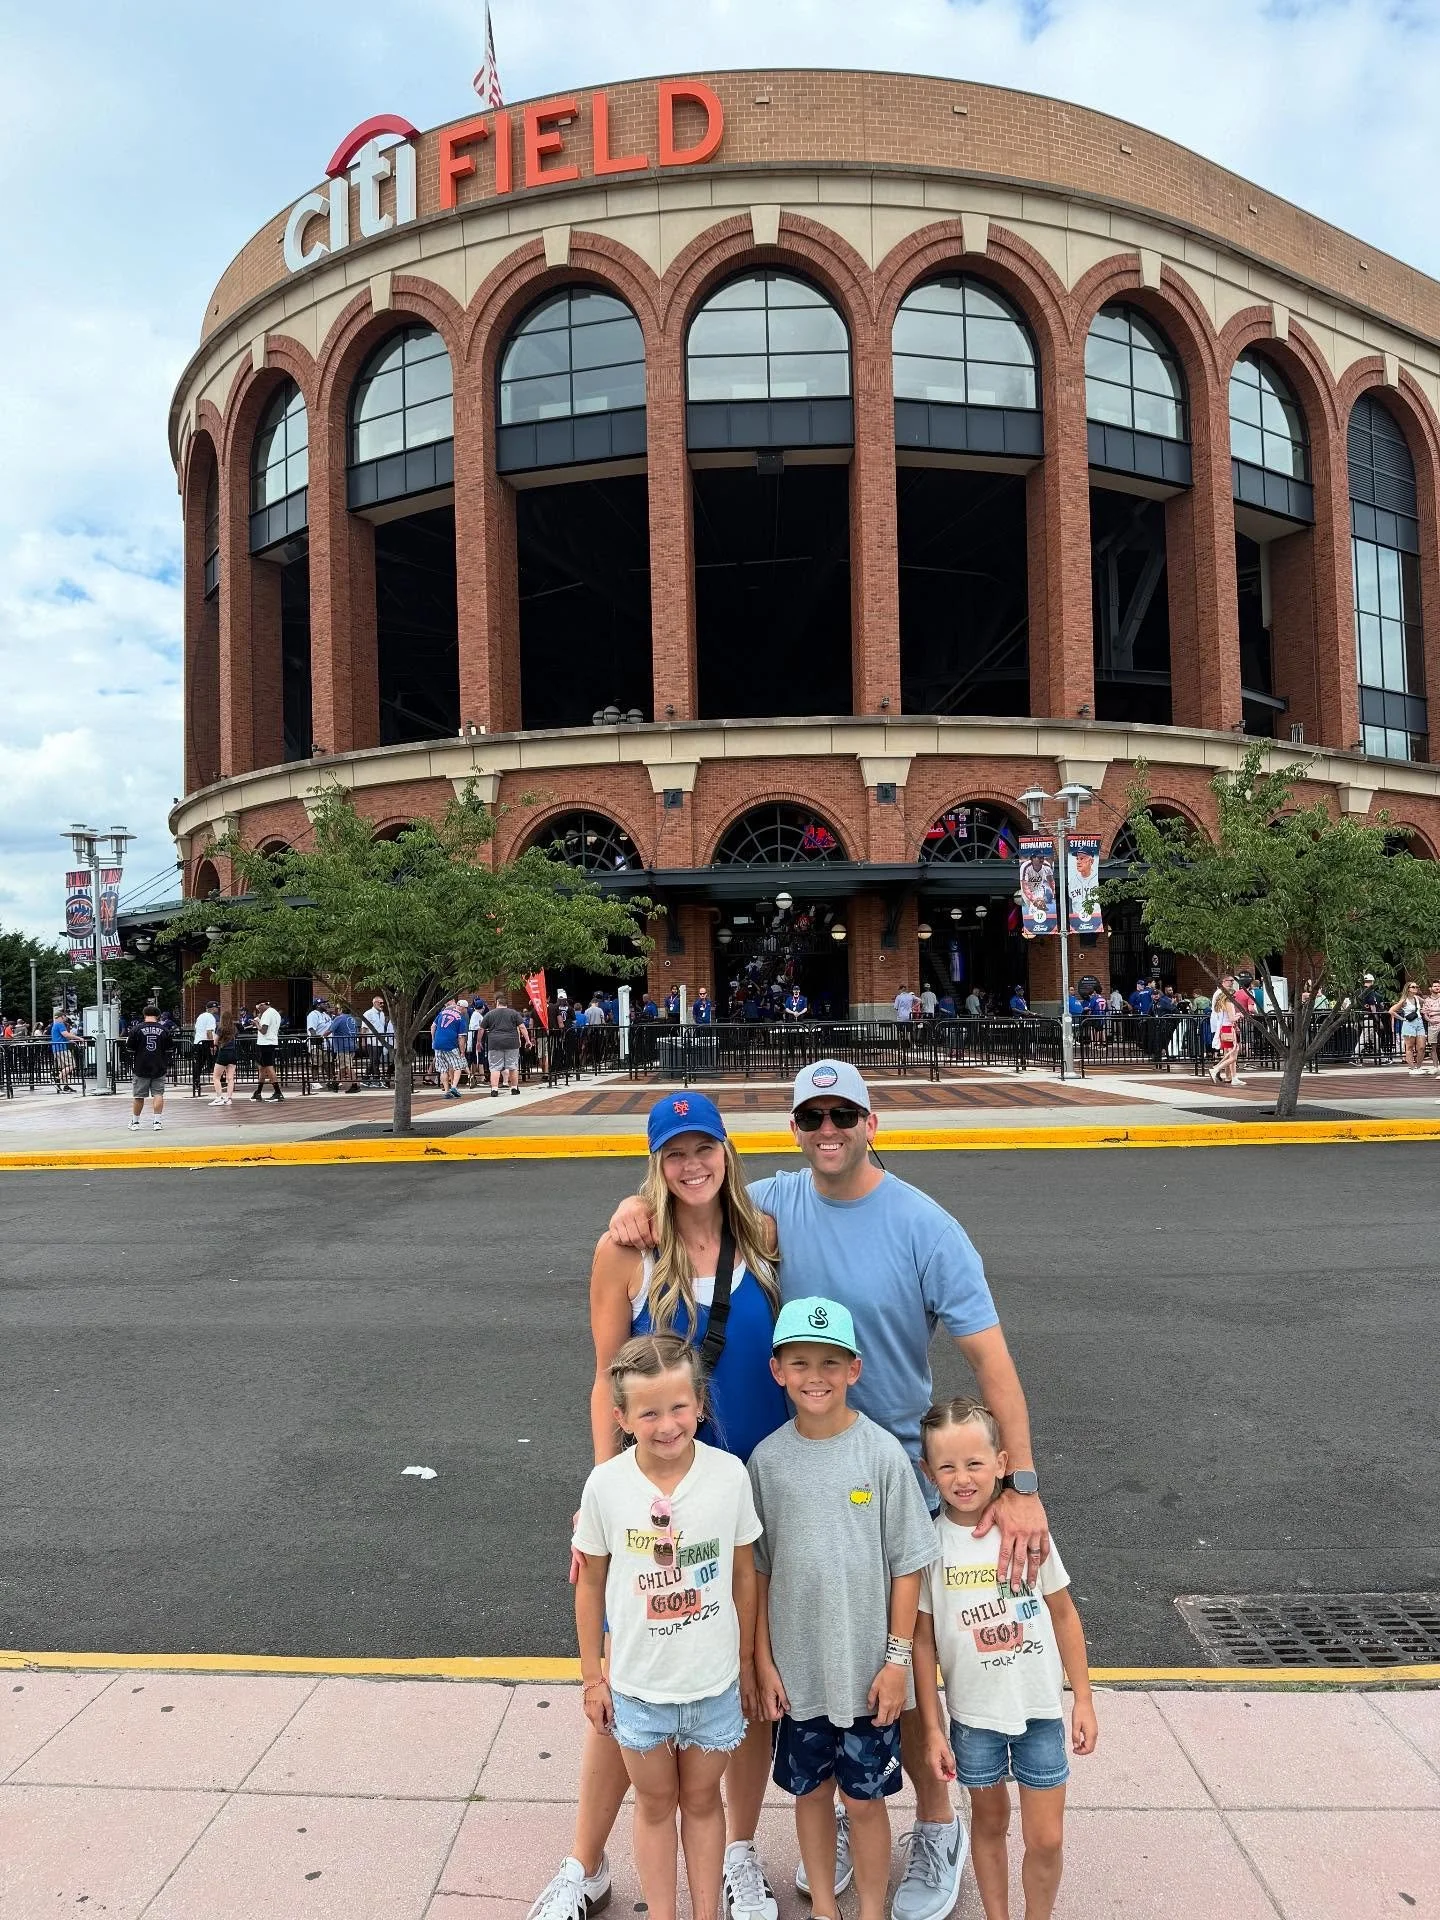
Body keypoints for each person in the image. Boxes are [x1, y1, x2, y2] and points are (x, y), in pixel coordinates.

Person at [594, 1062, 1047, 1920]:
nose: (828, 1127)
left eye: (844, 1113)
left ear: (872, 1121)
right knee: (798, 1653)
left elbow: (992, 1360)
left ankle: (938, 1827)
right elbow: (693, 1185)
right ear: (796, 1127)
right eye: (813, 1115)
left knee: (903, 1663)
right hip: (795, 1470)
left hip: (895, 1473)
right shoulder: (776, 1204)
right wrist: (631, 1206)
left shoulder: (925, 1225)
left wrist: (1018, 1484)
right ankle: (836, 1800)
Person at [564, 1093, 785, 1920]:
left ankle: (737, 1852)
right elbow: (603, 1379)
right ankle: (582, 1862)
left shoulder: (762, 1234)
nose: (692, 1165)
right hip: (651, 1498)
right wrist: (602, 1496)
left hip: (748, 1485)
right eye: (674, 1152)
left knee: (748, 1666)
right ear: (654, 1162)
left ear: (727, 1151)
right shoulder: (626, 1249)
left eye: (706, 1148)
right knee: (634, 1671)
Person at [750, 1298, 940, 1920]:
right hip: (799, 1675)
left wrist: (897, 1662)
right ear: (777, 1369)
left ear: (854, 1369)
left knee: (865, 1802)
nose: (816, 1376)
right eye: (800, 1362)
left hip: (869, 1678)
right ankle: (826, 1909)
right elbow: (759, 1570)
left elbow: (908, 1565)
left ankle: (871, 1911)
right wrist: (763, 1662)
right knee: (808, 1794)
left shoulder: (882, 1455)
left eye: (831, 1362)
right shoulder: (768, 1462)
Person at [574, 1334, 761, 1920]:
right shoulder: (606, 1486)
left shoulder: (729, 1475)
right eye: (648, 1412)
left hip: (713, 1683)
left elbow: (744, 1575)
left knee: (704, 1802)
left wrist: (751, 1663)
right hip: (638, 1687)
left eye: (679, 1407)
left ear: (700, 1404)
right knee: (655, 1804)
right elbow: (591, 1582)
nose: (666, 1424)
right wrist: (591, 1676)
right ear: (621, 1417)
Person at [913, 1400, 1096, 1920]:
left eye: (974, 1463)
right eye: (946, 1466)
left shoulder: (1027, 1533)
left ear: (1002, 1462)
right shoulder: (928, 1545)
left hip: (1040, 1712)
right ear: (928, 1472)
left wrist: (1083, 1699)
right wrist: (932, 1729)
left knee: (1046, 1839)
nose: (961, 1478)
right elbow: (921, 1642)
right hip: (973, 1722)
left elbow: (1063, 1614)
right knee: (989, 1827)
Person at [127, 1004, 173, 1130]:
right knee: (158, 1094)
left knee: (139, 1096)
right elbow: (169, 1048)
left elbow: (130, 1048)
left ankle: (135, 1122)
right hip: (159, 1066)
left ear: (144, 1015)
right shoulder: (164, 1030)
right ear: (158, 1016)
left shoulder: (136, 1029)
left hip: (141, 1066)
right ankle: (157, 1122)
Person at [482, 991, 529, 1097]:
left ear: (497, 1003)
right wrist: (528, 1040)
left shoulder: (490, 1014)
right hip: (512, 1042)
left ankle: (494, 1089)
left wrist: (479, 1041)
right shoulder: (514, 1013)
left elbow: (481, 1029)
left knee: (494, 1067)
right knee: (513, 1066)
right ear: (506, 1004)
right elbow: (522, 1027)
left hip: (494, 1043)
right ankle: (514, 1088)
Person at [431, 999, 467, 1100]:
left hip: (438, 1044)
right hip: (450, 1044)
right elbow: (461, 1037)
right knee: (457, 1066)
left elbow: (433, 1026)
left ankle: (447, 1091)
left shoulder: (442, 1013)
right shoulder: (461, 1018)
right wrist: (462, 1050)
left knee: (443, 1069)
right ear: (463, 1008)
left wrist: (434, 1039)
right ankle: (454, 1087)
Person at [251, 998, 284, 1101]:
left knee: (269, 1067)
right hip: (270, 1041)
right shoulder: (275, 1013)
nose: (258, 1011)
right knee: (262, 1067)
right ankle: (258, 1092)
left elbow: (264, 1030)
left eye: (258, 1008)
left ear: (262, 1005)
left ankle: (278, 1092)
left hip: (265, 1043)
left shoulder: (267, 1014)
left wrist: (256, 1024)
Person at [1391, 982, 1427, 1074]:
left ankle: (1418, 1067)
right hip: (1409, 1024)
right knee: (1410, 1047)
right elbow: (1392, 1011)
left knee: (1422, 1047)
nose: (1416, 988)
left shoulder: (1417, 998)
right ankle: (1412, 1068)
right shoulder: (1404, 1000)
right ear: (1408, 989)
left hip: (1419, 1023)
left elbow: (1426, 1002)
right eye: (1413, 987)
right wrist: (1402, 1019)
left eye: (1417, 986)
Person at [1208, 989, 1242, 1086]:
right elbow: (1232, 1018)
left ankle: (1232, 1077)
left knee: (1229, 1053)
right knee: (1233, 1055)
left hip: (1224, 1028)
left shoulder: (1222, 1004)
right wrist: (1239, 1015)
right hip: (1229, 1029)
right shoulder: (1229, 1003)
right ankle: (1215, 1069)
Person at [362, 994, 394, 1085]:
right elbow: (364, 1029)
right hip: (371, 1041)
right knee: (374, 1060)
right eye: (380, 1003)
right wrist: (363, 1042)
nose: (382, 1004)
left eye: (383, 1003)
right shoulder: (368, 1013)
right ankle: (376, 1079)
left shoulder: (382, 1014)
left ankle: (366, 1078)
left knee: (375, 1060)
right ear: (375, 1003)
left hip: (380, 1041)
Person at [328, 1003, 360, 1090]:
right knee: (342, 1066)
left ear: (341, 1009)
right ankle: (336, 1084)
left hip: (342, 1046)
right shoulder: (352, 1019)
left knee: (347, 1067)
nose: (337, 1010)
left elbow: (329, 1030)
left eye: (338, 1008)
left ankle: (355, 1085)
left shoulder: (339, 1018)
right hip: (351, 1045)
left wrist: (321, 1036)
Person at [210, 1018, 239, 1106]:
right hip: (233, 1052)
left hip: (223, 1052)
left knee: (216, 1077)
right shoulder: (234, 1028)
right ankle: (229, 1099)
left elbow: (215, 1040)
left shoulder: (220, 1028)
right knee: (230, 1078)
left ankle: (219, 1097)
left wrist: (214, 1046)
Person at [193, 999, 219, 1095]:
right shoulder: (211, 1017)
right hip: (206, 1042)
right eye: (216, 1007)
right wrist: (212, 1045)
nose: (217, 1009)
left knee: (199, 1063)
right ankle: (220, 1081)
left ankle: (196, 1081)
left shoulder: (200, 1016)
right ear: (213, 1008)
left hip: (198, 1042)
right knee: (216, 1061)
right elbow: (209, 1032)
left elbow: (196, 1029)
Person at [49, 1012, 79, 1092]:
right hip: (62, 1048)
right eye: (64, 1016)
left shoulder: (54, 1025)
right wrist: (78, 1038)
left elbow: (63, 1036)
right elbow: (65, 1034)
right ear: (61, 1017)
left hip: (57, 1048)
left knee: (64, 1068)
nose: (65, 1018)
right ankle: (57, 1079)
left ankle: (66, 1086)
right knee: (72, 1065)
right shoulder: (60, 1024)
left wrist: (71, 1038)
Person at [1422, 980, 1440, 1074]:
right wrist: (1430, 1020)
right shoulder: (1427, 1000)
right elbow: (1425, 1013)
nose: (1437, 987)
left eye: (1438, 986)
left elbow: (1430, 1011)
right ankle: (1435, 1066)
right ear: (1431, 988)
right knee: (1433, 1046)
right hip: (1432, 1025)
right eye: (1435, 986)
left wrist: (1433, 1010)